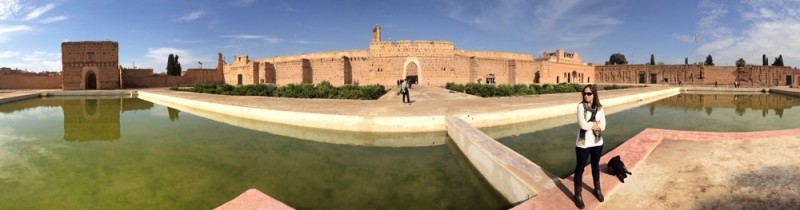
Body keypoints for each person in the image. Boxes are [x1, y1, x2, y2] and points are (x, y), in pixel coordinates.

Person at [573, 84, 606, 209]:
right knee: (580, 168)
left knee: (595, 166)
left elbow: (603, 126)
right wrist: (594, 124)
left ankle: (597, 189)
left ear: (594, 94)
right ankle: (578, 195)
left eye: (589, 94)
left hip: (597, 142)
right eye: (584, 93)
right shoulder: (580, 107)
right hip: (583, 143)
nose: (586, 96)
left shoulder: (600, 108)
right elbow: (583, 125)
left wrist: (590, 124)